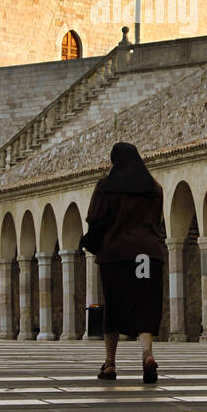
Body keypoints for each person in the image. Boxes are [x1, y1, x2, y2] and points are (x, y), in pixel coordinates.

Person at [82, 142, 166, 384]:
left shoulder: (106, 187)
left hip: (116, 255)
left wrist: (92, 241)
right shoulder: (154, 188)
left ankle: (110, 364)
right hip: (147, 254)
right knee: (146, 304)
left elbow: (96, 220)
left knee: (114, 306)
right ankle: (147, 354)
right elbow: (156, 221)